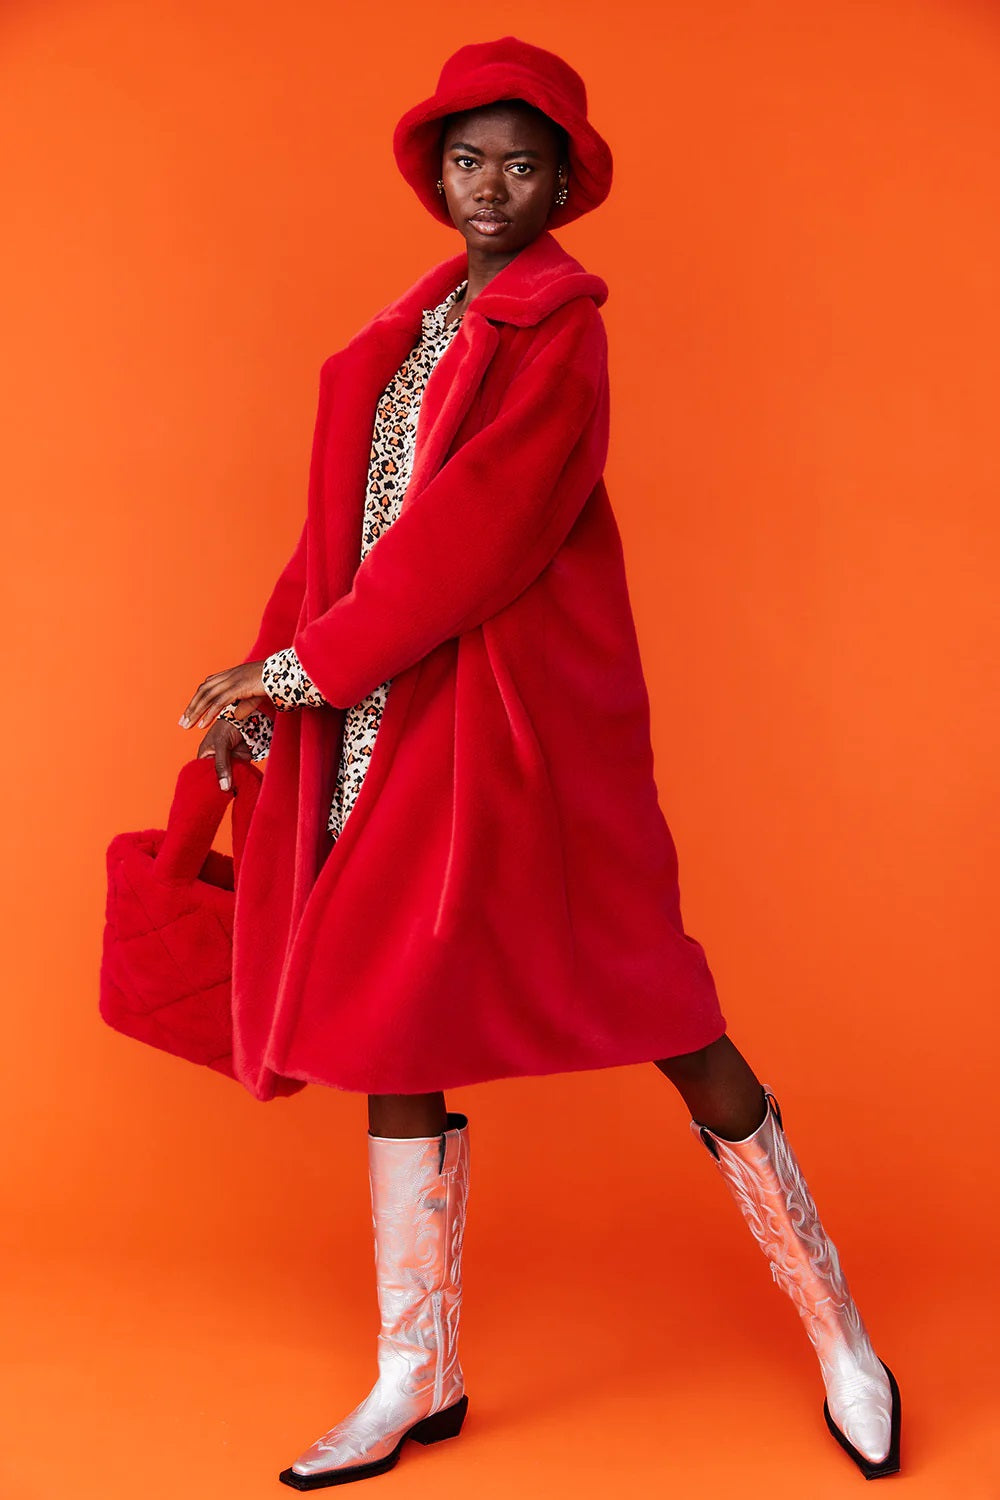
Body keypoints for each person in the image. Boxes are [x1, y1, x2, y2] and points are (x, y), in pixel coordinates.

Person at [177, 35, 901, 1489]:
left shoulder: (562, 332)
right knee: (386, 1017)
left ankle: (843, 1337)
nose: (491, 186)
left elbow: (475, 540)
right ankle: (416, 1371)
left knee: (659, 1000)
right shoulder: (409, 332)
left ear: (564, 183)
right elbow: (343, 538)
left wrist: (302, 668)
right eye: (469, 160)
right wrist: (267, 670)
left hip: (518, 732)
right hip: (385, 717)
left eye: (521, 164)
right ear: (434, 174)